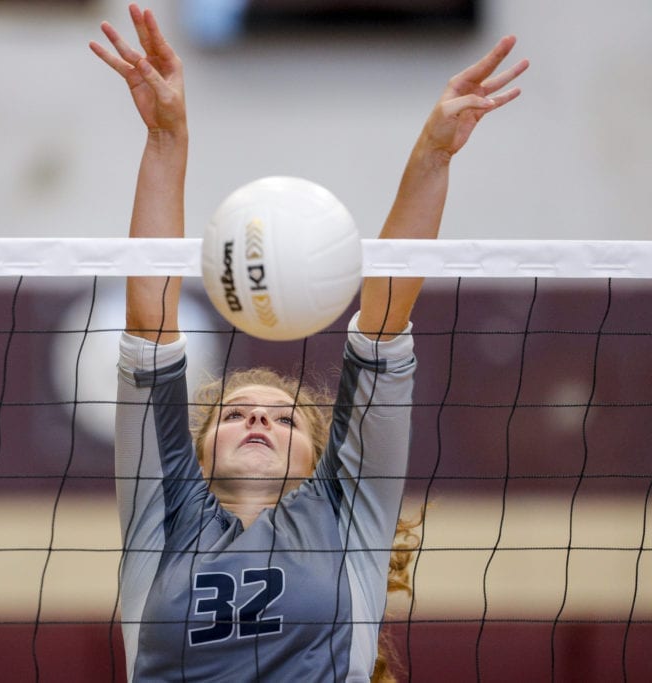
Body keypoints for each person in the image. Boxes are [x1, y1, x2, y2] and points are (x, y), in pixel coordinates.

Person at [91, 5, 527, 681]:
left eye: (281, 415)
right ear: (198, 452)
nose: (257, 417)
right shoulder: (166, 512)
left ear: (322, 454)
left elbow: (384, 319)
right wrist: (165, 138)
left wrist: (433, 151)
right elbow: (150, 321)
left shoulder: (345, 517)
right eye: (234, 413)